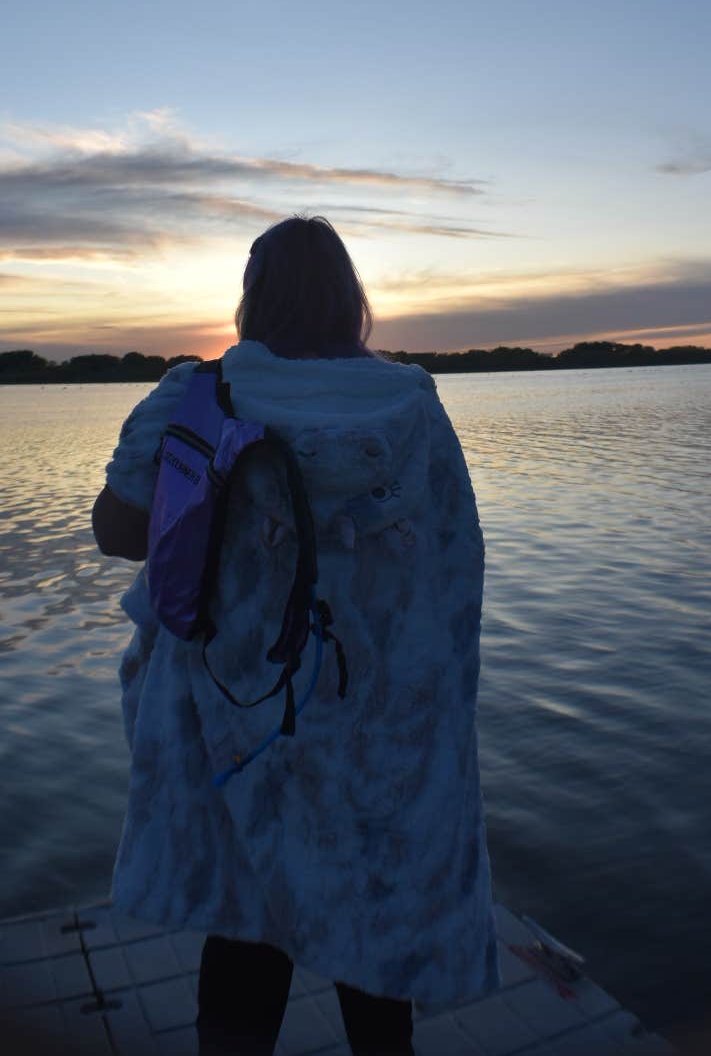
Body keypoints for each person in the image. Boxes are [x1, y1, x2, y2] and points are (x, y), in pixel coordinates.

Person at [92, 215, 500, 1056]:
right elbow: (457, 565)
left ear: (253, 298)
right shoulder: (415, 408)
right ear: (352, 300)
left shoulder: (197, 395)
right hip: (376, 725)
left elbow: (117, 530)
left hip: (235, 711)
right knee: (375, 942)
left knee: (244, 931)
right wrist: (439, 715)